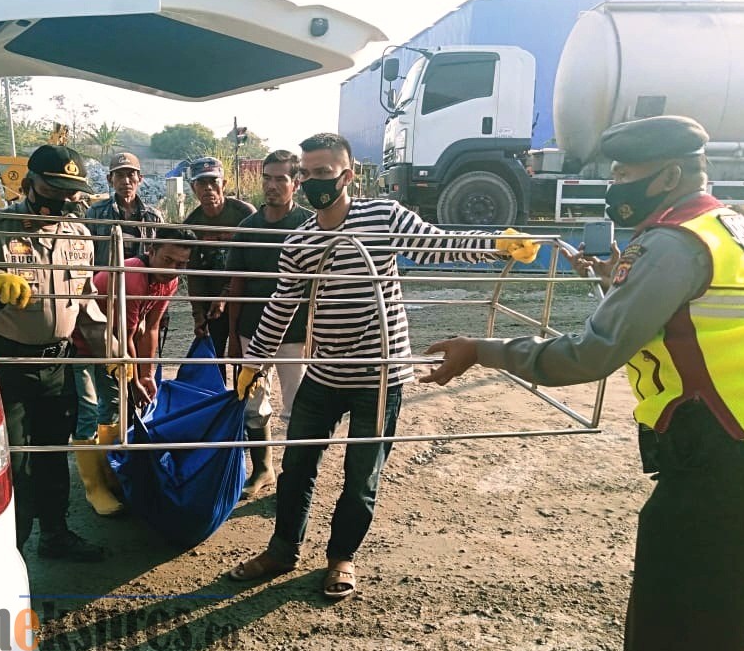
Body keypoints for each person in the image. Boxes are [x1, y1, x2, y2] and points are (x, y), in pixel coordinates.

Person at [420, 115, 744, 651]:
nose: (614, 184)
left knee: (675, 648)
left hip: (725, 465)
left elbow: (591, 354)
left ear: (667, 176)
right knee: (729, 636)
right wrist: (609, 283)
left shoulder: (674, 244)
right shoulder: (731, 227)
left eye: (625, 172)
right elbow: (681, 321)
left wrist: (482, 349)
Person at [228, 132, 536, 599]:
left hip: (379, 377)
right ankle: (282, 549)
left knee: (361, 476)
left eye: (323, 174)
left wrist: (496, 242)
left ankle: (341, 558)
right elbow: (282, 302)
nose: (313, 183)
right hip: (325, 372)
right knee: (297, 468)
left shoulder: (382, 216)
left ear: (347, 176)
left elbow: (436, 245)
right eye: (306, 175)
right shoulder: (302, 239)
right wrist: (254, 363)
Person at [0, 144, 106, 561]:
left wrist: (114, 355)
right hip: (5, 361)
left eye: (72, 192)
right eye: (55, 188)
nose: (65, 200)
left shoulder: (79, 236)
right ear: (31, 182)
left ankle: (54, 533)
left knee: (52, 451)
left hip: (57, 363)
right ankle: (7, 549)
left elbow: (85, 303)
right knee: (10, 458)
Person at [70, 227, 197, 516]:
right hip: (84, 342)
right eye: (168, 259)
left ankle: (110, 469)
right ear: (150, 251)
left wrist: (146, 374)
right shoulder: (133, 276)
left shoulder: (170, 281)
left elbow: (150, 328)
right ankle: (94, 487)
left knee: (114, 406)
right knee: (89, 408)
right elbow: (122, 331)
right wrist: (132, 377)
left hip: (114, 344)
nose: (174, 269)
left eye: (181, 264)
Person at [226, 150, 313, 499]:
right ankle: (263, 467)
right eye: (267, 177)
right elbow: (237, 284)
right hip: (252, 331)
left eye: (281, 179)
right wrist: (233, 337)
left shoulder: (309, 225)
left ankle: (294, 477)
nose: (272, 186)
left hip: (295, 333)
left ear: (296, 182)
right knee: (253, 400)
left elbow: (321, 285)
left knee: (299, 407)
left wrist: (316, 333)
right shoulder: (248, 228)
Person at [75, 151, 165, 472]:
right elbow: (84, 258)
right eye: (120, 175)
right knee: (111, 384)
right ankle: (106, 462)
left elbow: (161, 264)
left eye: (132, 175)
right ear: (110, 179)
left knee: (140, 375)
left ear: (140, 179)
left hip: (142, 307)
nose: (126, 180)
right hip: (104, 307)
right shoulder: (96, 213)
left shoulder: (153, 218)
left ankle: (130, 444)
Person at [182, 156, 255, 378]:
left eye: (213, 182)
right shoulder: (191, 225)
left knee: (244, 356)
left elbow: (250, 264)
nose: (208, 189)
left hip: (244, 296)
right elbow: (193, 274)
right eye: (201, 183)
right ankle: (220, 405)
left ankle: (245, 407)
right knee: (213, 356)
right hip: (210, 300)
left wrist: (225, 295)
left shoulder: (244, 215)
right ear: (193, 188)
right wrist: (198, 314)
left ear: (224, 184)